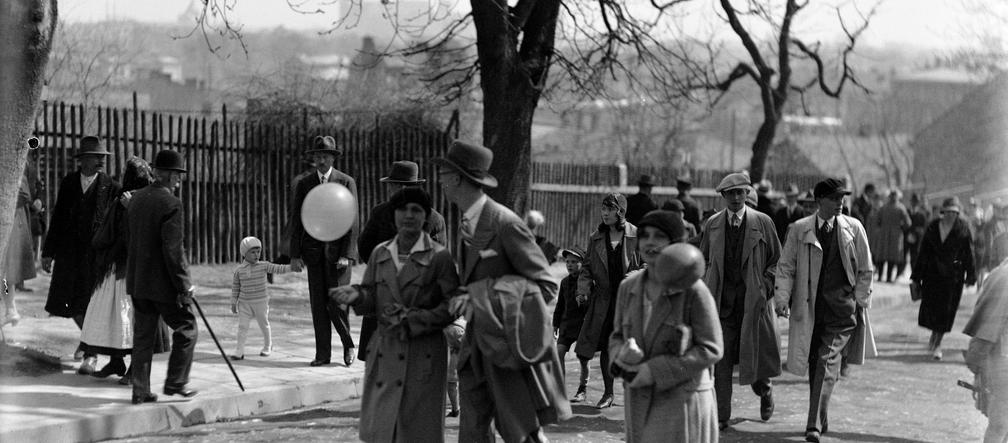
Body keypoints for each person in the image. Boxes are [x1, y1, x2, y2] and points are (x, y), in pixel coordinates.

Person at [435, 140, 569, 443]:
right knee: (473, 435)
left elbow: (545, 286)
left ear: (456, 178)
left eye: (443, 172)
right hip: (474, 350)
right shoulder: (467, 222)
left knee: (520, 433)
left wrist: (483, 297)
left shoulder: (505, 224)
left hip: (509, 351)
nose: (439, 179)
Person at [330, 187, 458, 442]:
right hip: (386, 352)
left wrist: (414, 320)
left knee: (416, 433)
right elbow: (371, 294)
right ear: (393, 215)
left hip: (423, 354)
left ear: (426, 217)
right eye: (402, 209)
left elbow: (452, 305)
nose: (408, 215)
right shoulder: (380, 252)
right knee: (382, 430)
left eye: (416, 210)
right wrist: (357, 295)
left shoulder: (439, 257)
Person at [774, 178, 875, 443]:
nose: (840, 203)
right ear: (820, 201)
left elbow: (866, 268)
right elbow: (786, 267)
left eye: (842, 198)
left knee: (825, 361)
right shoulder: (799, 229)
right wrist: (782, 298)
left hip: (842, 313)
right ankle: (822, 415)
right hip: (810, 311)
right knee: (815, 364)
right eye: (834, 198)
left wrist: (859, 299)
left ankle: (812, 425)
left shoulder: (853, 228)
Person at [610, 210, 722, 442]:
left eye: (659, 236)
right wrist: (621, 356)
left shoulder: (693, 290)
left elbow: (711, 348)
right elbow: (617, 336)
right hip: (638, 399)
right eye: (644, 235)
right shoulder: (628, 287)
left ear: (676, 244)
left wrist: (655, 370)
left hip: (682, 403)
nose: (650, 242)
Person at [697, 172, 781, 430]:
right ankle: (721, 416)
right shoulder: (712, 224)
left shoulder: (763, 222)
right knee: (721, 362)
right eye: (729, 193)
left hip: (753, 305)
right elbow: (702, 261)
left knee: (755, 363)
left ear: (747, 194)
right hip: (722, 305)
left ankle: (765, 391)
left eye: (739, 192)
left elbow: (777, 262)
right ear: (723, 196)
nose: (735, 198)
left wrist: (765, 286)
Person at [80, 157, 171, 383]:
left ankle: (134, 369)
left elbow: (149, 235)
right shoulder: (121, 200)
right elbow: (106, 233)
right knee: (113, 316)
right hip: (116, 267)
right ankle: (116, 361)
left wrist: (132, 209)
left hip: (136, 270)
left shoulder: (147, 201)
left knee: (131, 318)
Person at [42, 135, 122, 374]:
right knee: (71, 305)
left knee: (90, 303)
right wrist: (48, 253)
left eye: (103, 157)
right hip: (69, 255)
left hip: (95, 257)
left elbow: (117, 224)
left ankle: (91, 353)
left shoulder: (112, 186)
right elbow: (57, 219)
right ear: (83, 160)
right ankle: (87, 342)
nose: (101, 161)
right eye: (96, 157)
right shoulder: (68, 183)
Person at [126, 150, 198, 404]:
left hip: (137, 281)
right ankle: (176, 382)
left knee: (143, 337)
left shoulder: (136, 199)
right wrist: (184, 285)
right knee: (187, 328)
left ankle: (140, 391)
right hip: (162, 285)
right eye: (176, 174)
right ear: (165, 174)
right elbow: (173, 250)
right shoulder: (171, 204)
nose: (178, 179)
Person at [356, 160, 446, 362]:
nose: (390, 190)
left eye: (393, 185)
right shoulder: (434, 218)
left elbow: (365, 246)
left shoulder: (382, 212)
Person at [289, 135, 359, 367]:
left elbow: (352, 220)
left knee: (337, 303)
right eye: (317, 157)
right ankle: (322, 354)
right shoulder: (305, 183)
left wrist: (347, 254)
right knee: (318, 305)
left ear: (333, 158)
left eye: (325, 156)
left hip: (338, 256)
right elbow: (297, 219)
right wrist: (295, 254)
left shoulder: (346, 182)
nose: (320, 161)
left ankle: (348, 344)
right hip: (313, 253)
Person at [575, 192, 642, 409]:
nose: (604, 213)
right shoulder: (596, 237)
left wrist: (636, 276)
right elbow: (586, 268)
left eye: (609, 209)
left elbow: (650, 263)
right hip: (604, 301)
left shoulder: (636, 235)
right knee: (606, 346)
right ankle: (608, 393)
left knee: (635, 346)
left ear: (620, 211)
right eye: (603, 209)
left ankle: (640, 393)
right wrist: (582, 290)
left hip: (629, 301)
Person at [911, 197, 976, 360]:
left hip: (953, 279)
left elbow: (969, 253)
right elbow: (923, 252)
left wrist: (971, 274)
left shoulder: (963, 229)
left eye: (954, 212)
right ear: (943, 212)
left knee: (946, 312)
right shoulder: (933, 227)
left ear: (958, 213)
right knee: (933, 309)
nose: (951, 215)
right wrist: (916, 276)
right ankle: (934, 337)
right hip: (932, 276)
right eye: (948, 212)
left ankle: (938, 343)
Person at [963, 256, 1008, 443]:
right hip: (1003, 361)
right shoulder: (1004, 277)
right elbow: (987, 328)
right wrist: (977, 362)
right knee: (1000, 425)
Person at [230, 236, 297, 360]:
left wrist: (291, 267)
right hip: (244, 303)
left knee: (264, 324)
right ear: (244, 253)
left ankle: (268, 345)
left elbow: (279, 268)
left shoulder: (264, 265)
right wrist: (234, 302)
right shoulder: (239, 270)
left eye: (258, 251)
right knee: (242, 327)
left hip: (260, 302)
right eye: (253, 252)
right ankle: (239, 350)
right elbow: (235, 287)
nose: (257, 255)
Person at [552, 247, 590, 403]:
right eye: (567, 262)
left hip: (582, 325)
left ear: (582, 263)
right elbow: (560, 305)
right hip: (566, 324)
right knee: (558, 353)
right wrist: (555, 324)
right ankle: (559, 390)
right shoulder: (565, 282)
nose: (570, 265)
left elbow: (592, 305)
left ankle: (582, 388)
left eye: (574, 262)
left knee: (583, 359)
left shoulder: (587, 282)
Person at [1, 167, 36, 326]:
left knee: (6, 273)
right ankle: (10, 309)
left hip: (9, 223)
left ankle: (10, 309)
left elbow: (24, 194)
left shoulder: (12, 163)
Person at [875, 190, 911, 282]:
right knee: (891, 256)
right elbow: (908, 222)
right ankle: (888, 277)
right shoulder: (900, 208)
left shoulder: (884, 207)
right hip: (895, 234)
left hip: (884, 234)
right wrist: (902, 228)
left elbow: (877, 220)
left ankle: (880, 276)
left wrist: (881, 227)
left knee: (882, 255)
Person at [444, 316, 466, 418]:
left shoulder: (452, 328)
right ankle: (455, 409)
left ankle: (456, 409)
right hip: (456, 353)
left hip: (459, 355)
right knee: (451, 383)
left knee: (452, 383)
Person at [905, 193, 929, 268]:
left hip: (917, 238)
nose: (914, 203)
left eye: (916, 202)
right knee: (903, 256)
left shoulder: (922, 214)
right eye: (913, 201)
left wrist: (917, 232)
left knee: (914, 256)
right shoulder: (907, 212)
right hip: (906, 236)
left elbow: (924, 227)